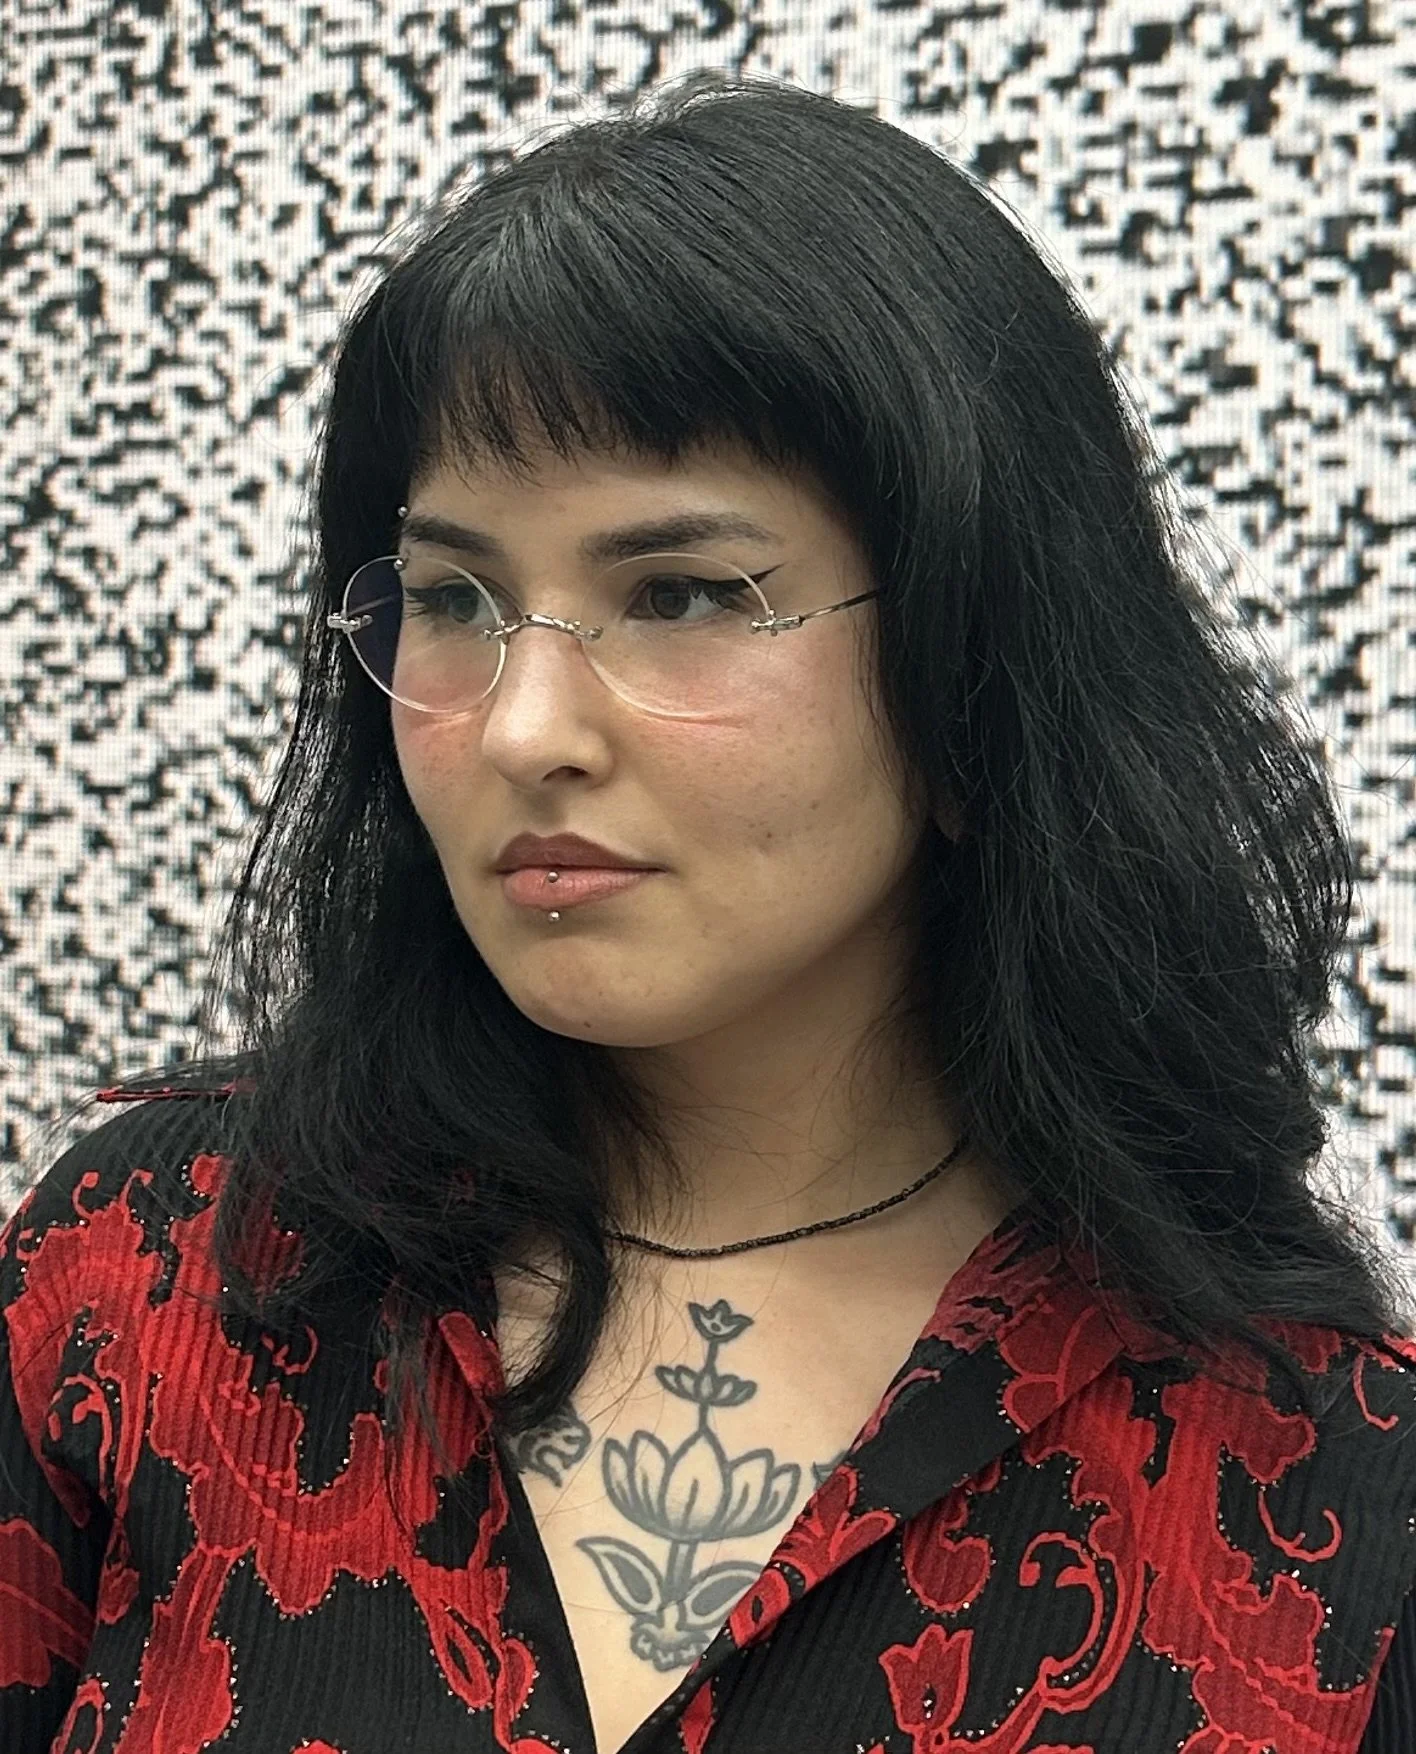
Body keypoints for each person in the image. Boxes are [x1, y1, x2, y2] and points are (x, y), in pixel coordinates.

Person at [2, 68, 1413, 1754]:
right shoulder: (157, 1271)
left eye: (677, 593)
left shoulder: (1329, 1486)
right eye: (454, 596)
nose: (522, 729)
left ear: (977, 660)